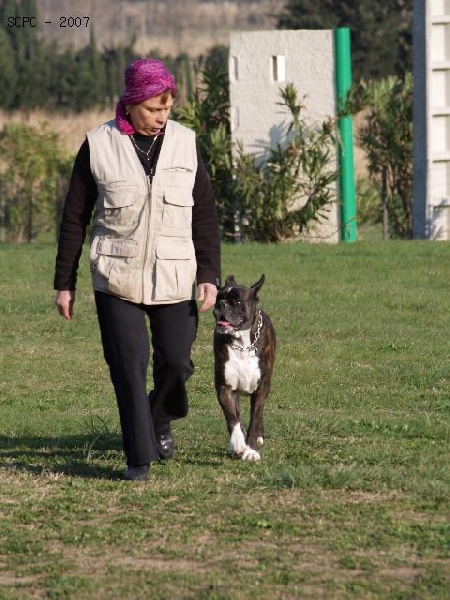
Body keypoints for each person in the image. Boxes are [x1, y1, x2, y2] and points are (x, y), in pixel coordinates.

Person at [54, 58, 221, 482]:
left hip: (175, 275)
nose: (161, 118)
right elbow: (75, 217)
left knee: (178, 365)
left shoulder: (186, 143)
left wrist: (208, 275)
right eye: (152, 109)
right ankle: (138, 459)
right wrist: (64, 283)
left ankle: (159, 416)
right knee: (128, 367)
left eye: (166, 109)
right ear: (130, 104)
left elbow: (204, 215)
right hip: (116, 276)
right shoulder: (98, 145)